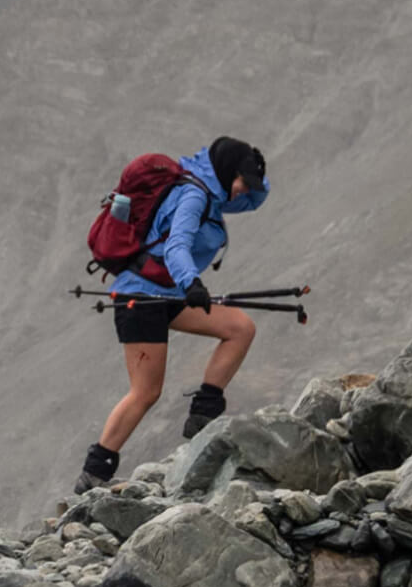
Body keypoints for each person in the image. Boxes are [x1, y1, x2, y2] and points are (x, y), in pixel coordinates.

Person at [78, 136, 270, 493]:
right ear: (227, 172)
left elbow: (255, 200)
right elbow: (176, 246)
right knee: (146, 391)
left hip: (169, 293)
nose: (243, 192)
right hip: (141, 297)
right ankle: (94, 472)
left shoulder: (216, 194)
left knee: (240, 328)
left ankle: (203, 414)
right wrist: (191, 282)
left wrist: (256, 170)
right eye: (242, 182)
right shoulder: (196, 196)